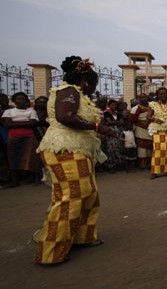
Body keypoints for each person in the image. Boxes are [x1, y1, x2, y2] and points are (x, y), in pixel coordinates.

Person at [34, 56, 117, 264]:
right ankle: (51, 252)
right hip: (64, 149)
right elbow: (66, 117)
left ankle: (81, 237)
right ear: (87, 81)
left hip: (78, 150)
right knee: (71, 197)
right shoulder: (68, 91)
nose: (94, 89)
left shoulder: (77, 93)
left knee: (89, 194)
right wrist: (99, 127)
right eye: (94, 84)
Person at [1, 92, 41, 187]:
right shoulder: (8, 112)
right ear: (14, 101)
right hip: (13, 137)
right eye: (19, 99)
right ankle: (15, 181)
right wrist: (25, 123)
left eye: (23, 99)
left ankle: (36, 179)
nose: (21, 101)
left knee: (32, 157)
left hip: (29, 137)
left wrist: (14, 123)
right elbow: (7, 125)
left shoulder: (31, 111)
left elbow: (32, 124)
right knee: (13, 158)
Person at [147, 87, 167, 179]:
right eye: (161, 94)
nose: (163, 95)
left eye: (164, 93)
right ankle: (154, 171)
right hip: (157, 129)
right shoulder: (153, 105)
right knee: (157, 150)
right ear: (158, 95)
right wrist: (155, 119)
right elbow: (148, 116)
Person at [129, 93, 153, 169]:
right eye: (141, 98)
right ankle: (142, 165)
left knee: (149, 146)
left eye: (145, 97)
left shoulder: (152, 107)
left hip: (150, 129)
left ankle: (150, 164)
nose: (144, 99)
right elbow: (131, 119)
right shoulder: (135, 108)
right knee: (142, 148)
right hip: (140, 130)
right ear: (139, 99)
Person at [103, 99, 125, 173]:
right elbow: (109, 122)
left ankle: (118, 165)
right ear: (109, 106)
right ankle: (110, 166)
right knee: (111, 149)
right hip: (110, 133)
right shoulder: (106, 113)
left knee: (119, 148)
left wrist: (114, 123)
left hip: (119, 132)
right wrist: (116, 122)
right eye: (112, 105)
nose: (114, 106)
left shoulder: (118, 114)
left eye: (115, 105)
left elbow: (122, 122)